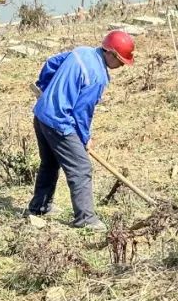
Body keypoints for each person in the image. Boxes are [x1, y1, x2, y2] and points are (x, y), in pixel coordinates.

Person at [26, 30, 135, 230]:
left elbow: (51, 63)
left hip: (41, 114)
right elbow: (82, 112)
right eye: (120, 60)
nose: (121, 66)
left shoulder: (81, 52)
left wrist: (45, 89)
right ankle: (85, 218)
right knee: (81, 168)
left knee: (50, 163)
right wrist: (84, 139)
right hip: (59, 122)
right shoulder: (98, 77)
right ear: (110, 53)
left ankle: (39, 207)